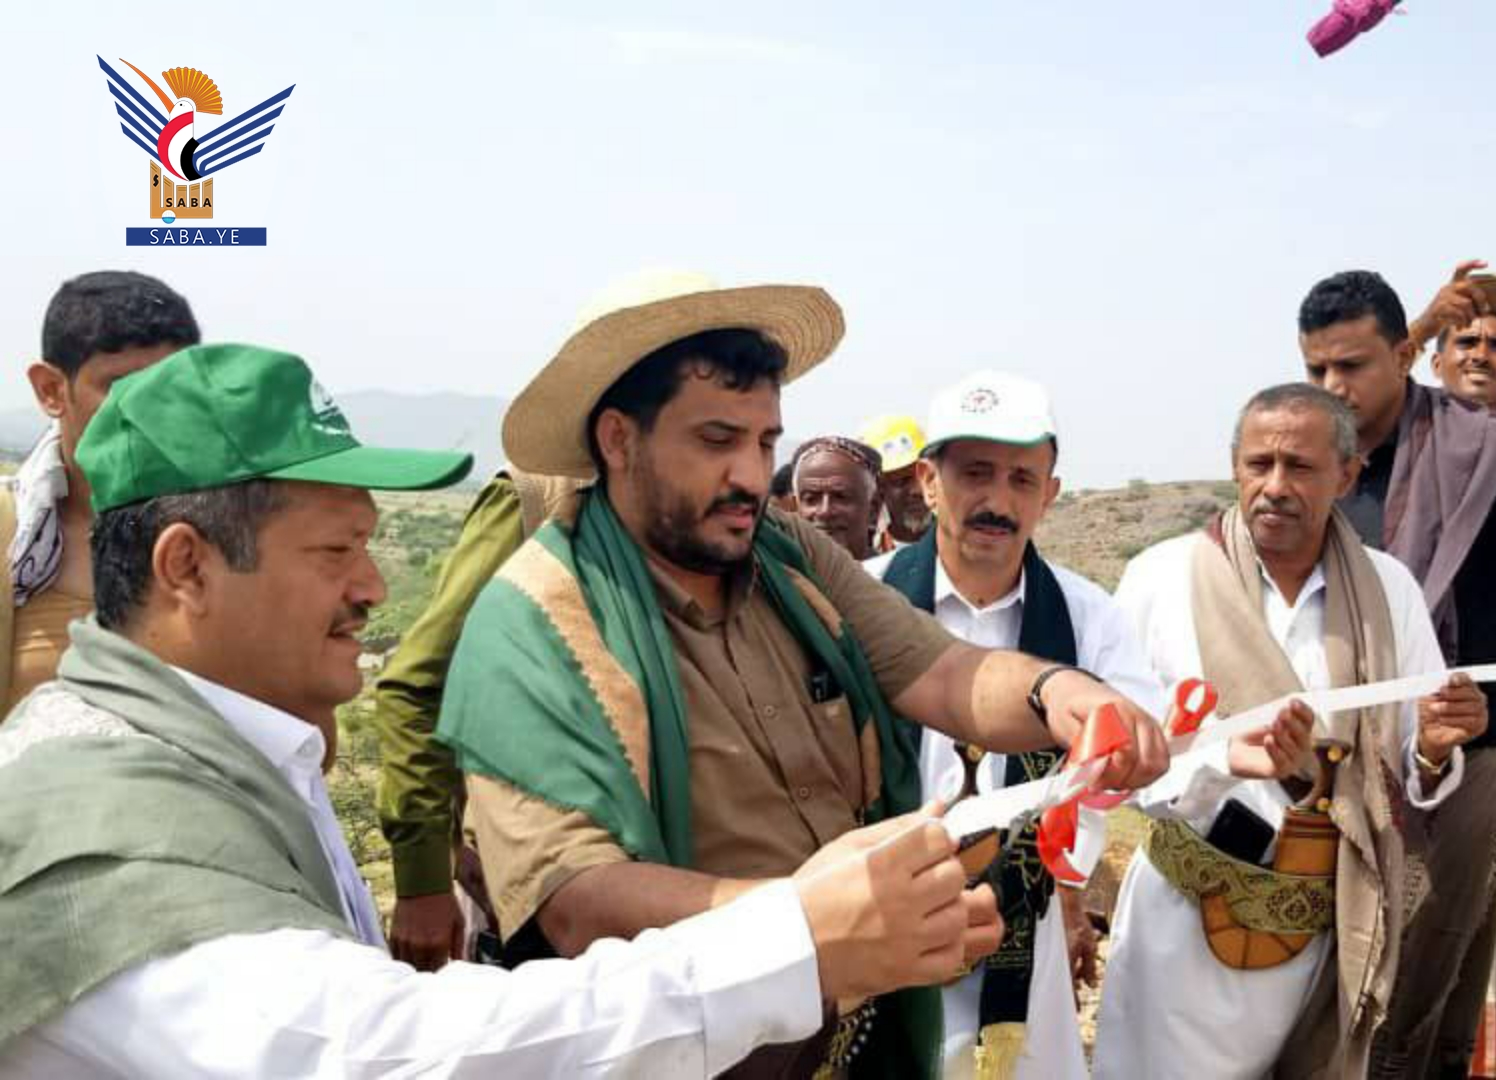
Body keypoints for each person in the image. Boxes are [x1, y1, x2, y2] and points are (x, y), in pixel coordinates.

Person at [0, 344, 992, 1078]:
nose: (373, 587)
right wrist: (793, 936)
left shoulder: (221, 754)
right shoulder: (105, 822)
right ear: (186, 567)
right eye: (336, 551)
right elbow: (387, 1053)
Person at [436, 271, 1168, 1078]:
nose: (752, 477)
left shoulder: (789, 559)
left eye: (764, 443)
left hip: (850, 1034)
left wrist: (1059, 693)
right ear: (618, 439)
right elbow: (577, 902)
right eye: (717, 441)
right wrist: (814, 923)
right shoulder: (537, 619)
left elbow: (941, 669)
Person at [1095, 383, 1489, 1080]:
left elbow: (1409, 760)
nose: (1275, 486)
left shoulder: (1389, 589)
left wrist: (1433, 748)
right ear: (1235, 466)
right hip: (1181, 930)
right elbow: (1117, 761)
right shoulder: (1160, 578)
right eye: (1259, 464)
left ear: (1347, 475)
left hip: (1327, 927)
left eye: (1300, 467)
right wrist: (1222, 762)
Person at [1298, 269, 1496, 1078]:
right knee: (1328, 972)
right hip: (1334, 759)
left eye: (1351, 366)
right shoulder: (1311, 463)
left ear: (1402, 356)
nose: (1332, 386)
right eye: (1317, 368)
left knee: (1423, 974)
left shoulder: (1487, 453)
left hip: (1461, 761)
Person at [867, 370, 1162, 1079]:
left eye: (1022, 480)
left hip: (1021, 935)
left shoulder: (1088, 618)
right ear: (928, 481)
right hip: (875, 923)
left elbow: (1134, 768)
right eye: (975, 473)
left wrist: (1124, 755)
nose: (997, 501)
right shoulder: (866, 598)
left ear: (1049, 494)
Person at [373, 466, 586, 972]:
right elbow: (421, 684)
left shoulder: (730, 522)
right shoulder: (537, 501)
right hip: (531, 889)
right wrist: (424, 879)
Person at [3, 271, 199, 711]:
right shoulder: (10, 537)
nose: (148, 412)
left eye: (169, 388)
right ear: (51, 390)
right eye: (120, 387)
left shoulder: (227, 531)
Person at [792, 435, 885, 560]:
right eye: (811, 499)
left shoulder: (895, 571)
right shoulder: (776, 571)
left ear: (873, 509)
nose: (825, 511)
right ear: (795, 509)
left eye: (841, 497)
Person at [860, 413, 933, 550]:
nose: (917, 490)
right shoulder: (863, 551)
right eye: (902, 481)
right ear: (878, 489)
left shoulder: (964, 539)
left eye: (923, 476)